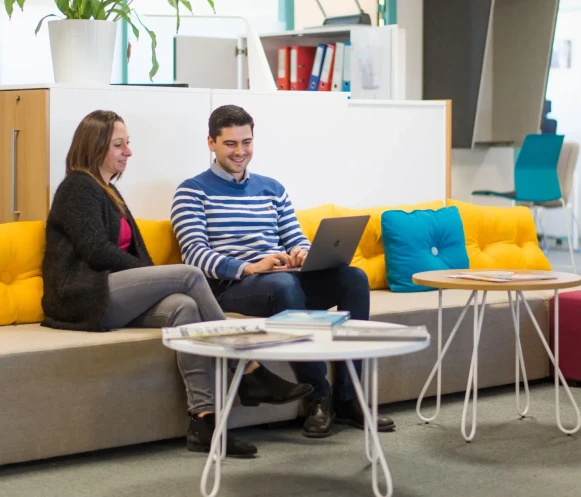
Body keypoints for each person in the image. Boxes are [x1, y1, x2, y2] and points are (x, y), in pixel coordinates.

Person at [41, 110, 312, 459]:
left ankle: (204, 423)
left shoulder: (109, 190)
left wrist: (152, 279)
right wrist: (154, 276)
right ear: (95, 147)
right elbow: (96, 252)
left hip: (110, 291)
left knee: (183, 307)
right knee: (188, 274)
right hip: (81, 297)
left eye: (128, 143)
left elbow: (124, 257)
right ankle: (248, 367)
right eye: (119, 145)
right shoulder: (78, 186)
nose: (129, 152)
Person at [171, 104, 396, 438]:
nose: (240, 151)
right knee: (282, 286)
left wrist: (301, 253)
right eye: (230, 143)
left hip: (282, 277)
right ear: (211, 144)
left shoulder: (272, 188)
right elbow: (194, 255)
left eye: (246, 142)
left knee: (353, 278)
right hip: (233, 287)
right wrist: (249, 266)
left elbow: (294, 237)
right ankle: (319, 396)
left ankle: (350, 397)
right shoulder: (192, 191)